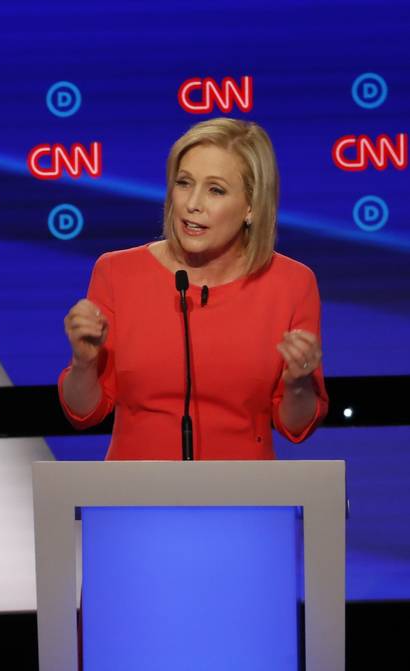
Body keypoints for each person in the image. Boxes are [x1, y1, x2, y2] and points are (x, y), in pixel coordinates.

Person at [59, 117, 328, 460]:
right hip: (134, 498)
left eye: (215, 190)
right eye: (184, 183)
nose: (192, 204)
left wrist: (298, 383)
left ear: (251, 207)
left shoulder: (291, 283)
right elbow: (83, 413)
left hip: (246, 499)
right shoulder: (116, 272)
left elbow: (296, 427)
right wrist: (83, 364)